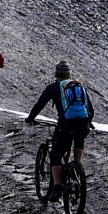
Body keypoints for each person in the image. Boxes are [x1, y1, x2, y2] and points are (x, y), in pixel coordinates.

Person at [27, 61, 93, 201]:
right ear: (69, 74)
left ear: (57, 74)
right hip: (83, 124)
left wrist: (30, 118)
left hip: (65, 126)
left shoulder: (54, 88)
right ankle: (76, 166)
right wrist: (88, 123)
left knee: (56, 153)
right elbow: (90, 109)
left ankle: (57, 187)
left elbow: (40, 104)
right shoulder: (79, 87)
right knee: (78, 139)